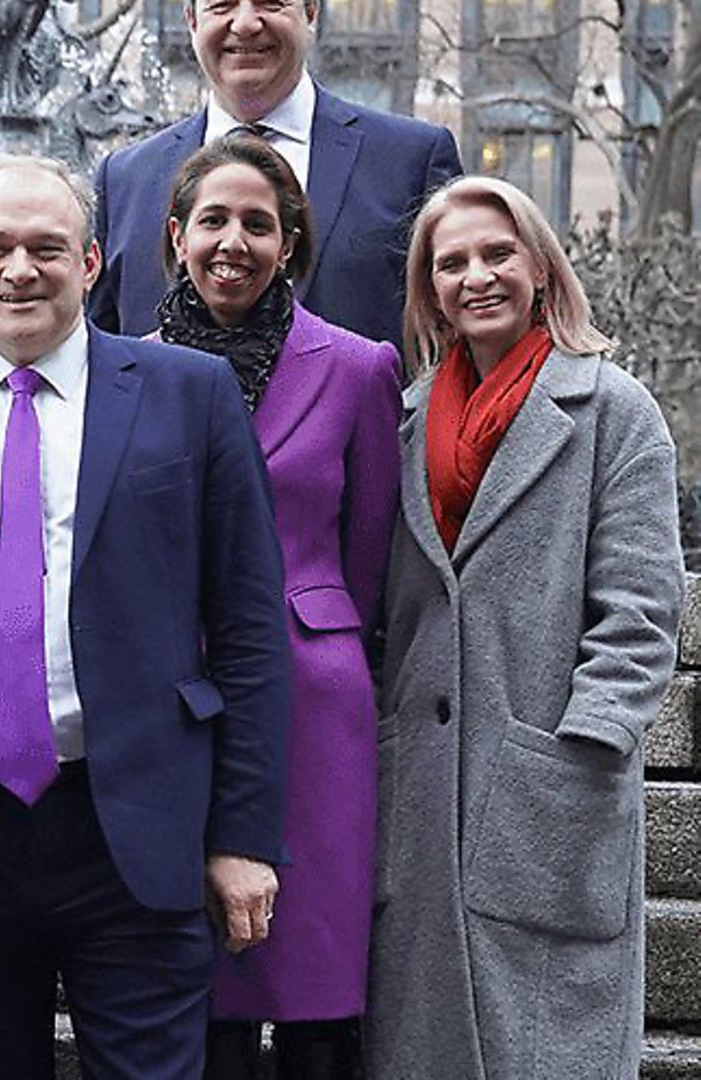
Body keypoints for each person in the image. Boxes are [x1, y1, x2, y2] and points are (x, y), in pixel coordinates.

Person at [0, 155, 291, 1079]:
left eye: (46, 248)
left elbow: (249, 632)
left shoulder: (190, 396)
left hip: (136, 831)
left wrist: (242, 838)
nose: (19, 269)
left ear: (94, 262)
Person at [368, 176, 682, 1079]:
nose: (476, 277)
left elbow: (641, 609)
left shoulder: (614, 411)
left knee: (546, 1050)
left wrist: (585, 745)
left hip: (550, 783)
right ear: (428, 290)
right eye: (450, 262)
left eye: (497, 254)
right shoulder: (403, 417)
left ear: (541, 266)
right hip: (422, 796)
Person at [150, 133, 401, 1079]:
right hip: (170, 705)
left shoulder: (358, 366)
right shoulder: (122, 371)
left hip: (315, 712)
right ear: (177, 235)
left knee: (315, 991)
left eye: (260, 223)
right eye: (212, 219)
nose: (233, 242)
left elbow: (369, 553)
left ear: (291, 243)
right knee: (195, 996)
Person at [89, 0, 461, 348]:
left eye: (271, 1)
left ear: (312, 10)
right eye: (222, 4)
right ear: (191, 19)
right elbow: (100, 362)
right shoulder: (124, 181)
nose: (246, 23)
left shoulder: (411, 162)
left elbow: (457, 339)